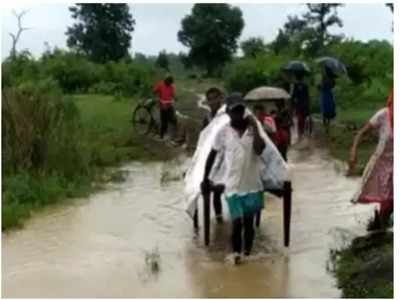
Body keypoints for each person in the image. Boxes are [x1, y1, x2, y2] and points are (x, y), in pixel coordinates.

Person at [201, 93, 266, 265]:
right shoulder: (222, 133)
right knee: (237, 223)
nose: (238, 114)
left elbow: (260, 150)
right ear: (228, 113)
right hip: (233, 187)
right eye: (234, 111)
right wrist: (205, 178)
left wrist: (256, 127)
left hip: (252, 185)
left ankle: (247, 254)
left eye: (240, 110)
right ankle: (237, 256)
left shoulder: (253, 130)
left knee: (249, 224)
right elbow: (212, 155)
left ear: (244, 111)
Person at [349, 89, 393, 230]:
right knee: (387, 202)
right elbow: (361, 133)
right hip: (381, 165)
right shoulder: (383, 115)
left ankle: (380, 225)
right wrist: (353, 151)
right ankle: (379, 229)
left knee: (391, 204)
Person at [202, 87, 225, 223]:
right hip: (211, 155)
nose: (213, 102)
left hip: (225, 156)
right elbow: (203, 141)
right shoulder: (207, 118)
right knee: (214, 190)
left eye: (215, 98)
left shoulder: (226, 116)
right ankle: (219, 218)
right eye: (210, 99)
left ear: (221, 98)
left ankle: (220, 218)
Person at [153, 75, 178, 141]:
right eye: (168, 82)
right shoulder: (160, 85)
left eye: (170, 83)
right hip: (162, 105)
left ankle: (174, 134)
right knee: (164, 121)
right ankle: (161, 135)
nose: (169, 84)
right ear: (166, 81)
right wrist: (158, 98)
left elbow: (173, 94)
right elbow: (154, 92)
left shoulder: (171, 87)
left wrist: (175, 98)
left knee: (173, 119)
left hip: (169, 104)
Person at [291, 72, 310, 140]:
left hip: (301, 104)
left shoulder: (304, 85)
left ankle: (301, 133)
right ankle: (300, 133)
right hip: (301, 104)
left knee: (302, 119)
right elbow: (294, 95)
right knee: (300, 119)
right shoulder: (297, 85)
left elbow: (293, 96)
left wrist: (293, 103)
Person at [319, 67, 337, 133]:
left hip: (325, 94)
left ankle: (326, 124)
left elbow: (321, 87)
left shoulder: (325, 78)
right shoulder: (330, 78)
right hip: (329, 94)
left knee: (325, 108)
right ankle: (327, 125)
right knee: (329, 108)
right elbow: (333, 85)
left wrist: (321, 83)